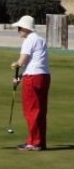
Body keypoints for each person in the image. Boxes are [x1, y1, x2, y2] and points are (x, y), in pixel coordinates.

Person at [10, 14, 51, 151]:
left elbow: (22, 62)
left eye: (20, 28)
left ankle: (34, 142)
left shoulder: (28, 41)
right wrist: (20, 77)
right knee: (40, 110)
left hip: (33, 78)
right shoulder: (40, 39)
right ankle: (39, 141)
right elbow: (35, 62)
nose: (19, 30)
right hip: (44, 77)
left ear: (26, 28)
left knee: (31, 110)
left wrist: (15, 65)